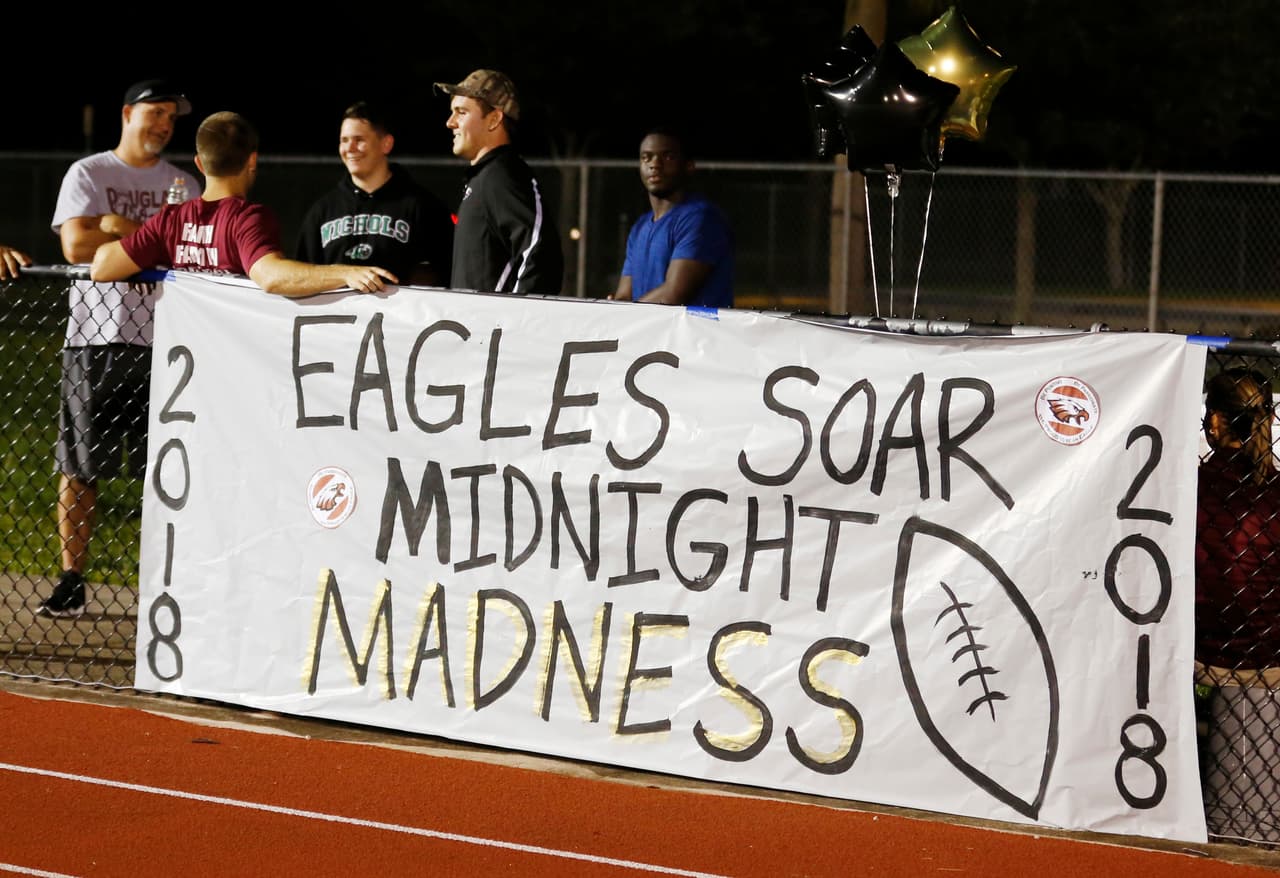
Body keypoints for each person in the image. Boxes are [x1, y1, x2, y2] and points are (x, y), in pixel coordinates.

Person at [41, 79, 203, 618]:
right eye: (155, 113)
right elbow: (76, 244)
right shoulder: (89, 172)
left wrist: (123, 229)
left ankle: (171, 578)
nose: (164, 124)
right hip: (97, 336)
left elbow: (193, 250)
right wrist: (152, 236)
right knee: (82, 465)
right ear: (128, 113)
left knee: (170, 464)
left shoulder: (184, 182)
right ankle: (71, 579)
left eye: (171, 118)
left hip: (167, 339)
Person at [91, 111, 397, 297]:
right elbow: (271, 276)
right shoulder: (248, 218)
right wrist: (344, 273)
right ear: (252, 160)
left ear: (199, 163)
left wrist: (123, 227)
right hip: (234, 362)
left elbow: (102, 267)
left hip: (180, 356)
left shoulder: (171, 219)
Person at [295, 102, 454, 286]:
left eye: (359, 140)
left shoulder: (422, 206)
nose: (350, 148)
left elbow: (444, 273)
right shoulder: (322, 211)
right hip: (337, 314)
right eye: (344, 140)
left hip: (397, 314)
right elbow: (303, 274)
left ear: (386, 144)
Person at [434, 69, 563, 295]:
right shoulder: (486, 175)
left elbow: (540, 252)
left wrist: (512, 321)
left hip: (494, 328)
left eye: (461, 112)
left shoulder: (501, 175)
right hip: (477, 326)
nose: (450, 123)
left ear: (494, 119)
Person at [1195, 367, 1280, 673]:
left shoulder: (1189, 487)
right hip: (1268, 661)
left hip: (1198, 655)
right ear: (1269, 420)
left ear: (1215, 421)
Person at [611, 126, 734, 308]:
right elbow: (624, 295)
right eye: (646, 157)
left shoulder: (701, 219)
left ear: (688, 166)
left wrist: (624, 312)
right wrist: (614, 308)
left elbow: (673, 295)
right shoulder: (640, 227)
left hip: (693, 336)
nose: (655, 164)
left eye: (667, 157)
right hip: (650, 334)